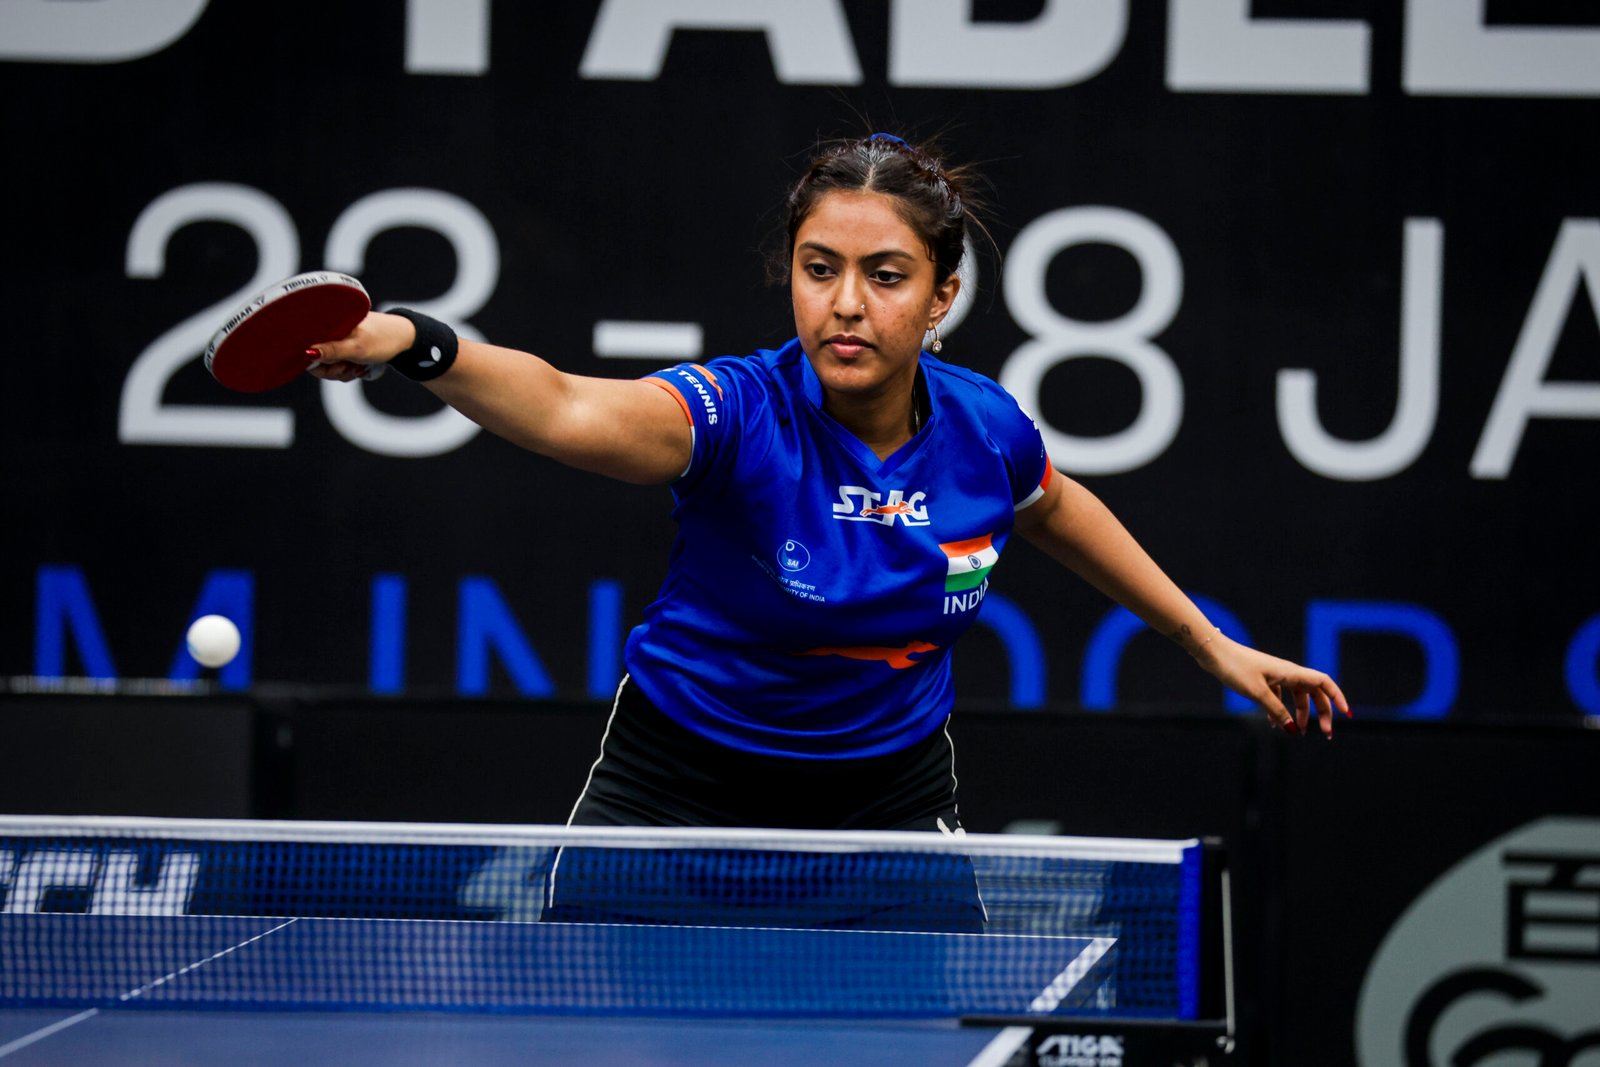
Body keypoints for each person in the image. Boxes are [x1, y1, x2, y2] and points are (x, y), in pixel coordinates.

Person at [310, 133, 1349, 846]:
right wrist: (415, 340)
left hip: (884, 801)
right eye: (819, 267)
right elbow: (569, 408)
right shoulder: (739, 413)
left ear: (941, 296)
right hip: (676, 792)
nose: (845, 304)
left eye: (886, 275)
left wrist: (1203, 639)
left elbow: (1053, 504)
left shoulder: (985, 429)